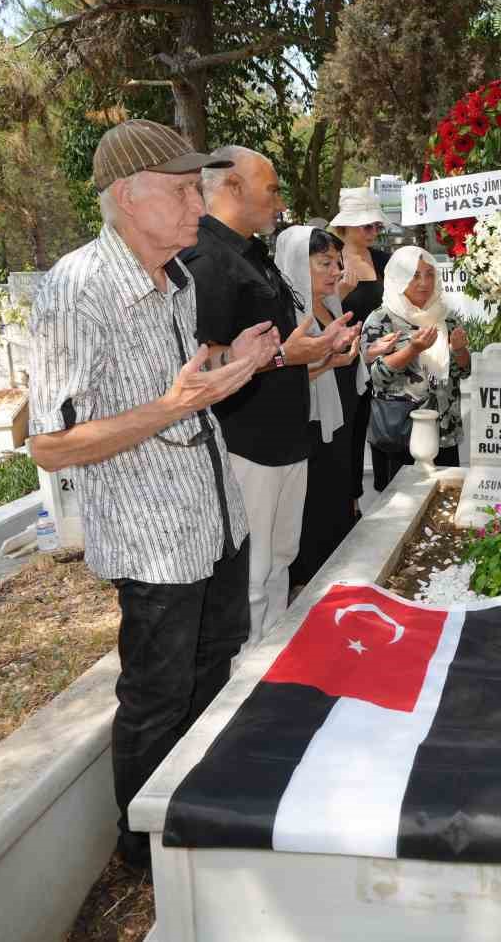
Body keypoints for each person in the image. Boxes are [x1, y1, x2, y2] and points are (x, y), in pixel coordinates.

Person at [25, 119, 281, 874]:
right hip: (153, 539)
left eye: (198, 189)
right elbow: (51, 442)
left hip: (214, 522)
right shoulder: (76, 289)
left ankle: (192, 821)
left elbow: (182, 386)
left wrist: (238, 362)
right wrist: (176, 405)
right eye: (181, 192)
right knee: (157, 698)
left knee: (213, 673)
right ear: (127, 197)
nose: (198, 206)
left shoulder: (179, 278)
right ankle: (144, 856)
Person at [185, 145, 356, 644]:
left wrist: (318, 357)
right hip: (245, 443)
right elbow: (206, 364)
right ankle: (244, 673)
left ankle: (273, 658)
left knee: (279, 559)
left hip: (286, 438)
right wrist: (288, 356)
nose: (280, 203)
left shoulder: (253, 254)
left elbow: (280, 351)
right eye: (273, 189)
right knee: (252, 571)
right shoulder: (208, 260)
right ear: (233, 187)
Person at [275, 225, 367, 586]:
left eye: (337, 263)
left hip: (340, 424)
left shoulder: (330, 306)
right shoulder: (289, 316)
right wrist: (329, 363)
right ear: (299, 263)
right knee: (313, 516)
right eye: (324, 263)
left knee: (336, 508)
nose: (336, 272)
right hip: (311, 430)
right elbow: (282, 375)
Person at [360, 247, 471, 492]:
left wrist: (460, 351)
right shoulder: (381, 320)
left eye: (430, 274)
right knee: (395, 509)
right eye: (415, 275)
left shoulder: (446, 318)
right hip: (399, 434)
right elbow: (375, 377)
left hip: (443, 430)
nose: (424, 282)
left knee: (442, 502)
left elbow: (463, 371)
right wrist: (412, 349)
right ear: (398, 279)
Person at [329, 188, 394, 509]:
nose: (372, 232)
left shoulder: (385, 260)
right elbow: (316, 314)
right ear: (345, 227)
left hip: (387, 359)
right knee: (350, 432)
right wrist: (339, 292)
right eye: (365, 225)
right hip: (347, 360)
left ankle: (388, 495)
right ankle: (349, 502)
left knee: (387, 427)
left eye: (376, 226)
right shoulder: (330, 262)